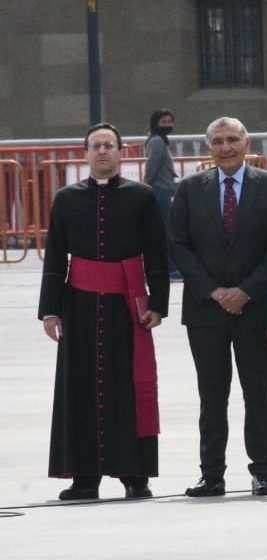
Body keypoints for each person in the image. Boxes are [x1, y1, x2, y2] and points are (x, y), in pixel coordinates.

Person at [38, 122, 169, 500]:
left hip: (126, 306)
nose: (102, 151)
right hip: (77, 306)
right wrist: (50, 311)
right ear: (85, 153)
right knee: (79, 389)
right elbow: (55, 257)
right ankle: (84, 478)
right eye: (95, 146)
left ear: (121, 152)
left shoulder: (141, 196)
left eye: (109, 145)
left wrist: (157, 305)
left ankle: (134, 474)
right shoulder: (66, 198)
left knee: (128, 387)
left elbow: (157, 255)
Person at [170, 117, 267, 497]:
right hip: (205, 310)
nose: (226, 147)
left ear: (246, 142)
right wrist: (214, 291)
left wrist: (245, 291)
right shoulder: (188, 189)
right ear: (209, 147)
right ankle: (212, 474)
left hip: (254, 308)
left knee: (258, 392)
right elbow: (177, 244)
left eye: (233, 140)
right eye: (218, 141)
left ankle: (262, 471)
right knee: (212, 394)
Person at [144, 108, 180, 280]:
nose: (167, 125)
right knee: (166, 231)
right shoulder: (157, 141)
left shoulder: (161, 140)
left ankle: (170, 267)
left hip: (165, 189)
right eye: (163, 122)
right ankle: (170, 268)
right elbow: (151, 166)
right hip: (160, 191)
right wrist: (147, 187)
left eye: (169, 122)